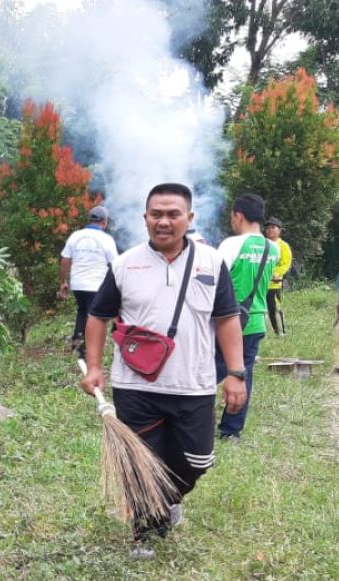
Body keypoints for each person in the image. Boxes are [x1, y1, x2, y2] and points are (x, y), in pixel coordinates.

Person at [81, 183, 247, 559]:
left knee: (197, 460)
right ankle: (146, 533)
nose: (164, 221)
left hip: (195, 384)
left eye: (173, 214)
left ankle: (165, 502)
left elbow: (226, 321)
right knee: (142, 464)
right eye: (156, 214)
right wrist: (94, 366)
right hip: (135, 384)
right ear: (145, 219)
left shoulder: (212, 262)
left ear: (189, 218)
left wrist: (236, 373)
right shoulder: (125, 264)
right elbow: (97, 316)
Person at [214, 193, 278, 441]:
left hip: (228, 321)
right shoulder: (271, 247)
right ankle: (231, 431)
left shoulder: (232, 244)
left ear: (238, 215)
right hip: (255, 320)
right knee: (243, 373)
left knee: (209, 370)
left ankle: (191, 417)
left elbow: (215, 281)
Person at [58, 205, 119, 355]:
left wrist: (63, 282)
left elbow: (65, 260)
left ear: (90, 219)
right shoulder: (106, 239)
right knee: (95, 315)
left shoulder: (75, 235)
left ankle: (77, 343)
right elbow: (115, 264)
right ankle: (88, 348)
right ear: (104, 222)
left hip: (78, 284)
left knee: (83, 311)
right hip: (96, 284)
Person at [264, 217, 291, 336]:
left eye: (273, 227)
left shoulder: (283, 246)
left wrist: (277, 272)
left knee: (274, 307)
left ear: (279, 230)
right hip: (260, 282)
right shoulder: (261, 244)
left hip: (275, 283)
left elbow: (286, 263)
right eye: (268, 228)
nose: (270, 230)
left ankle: (281, 332)